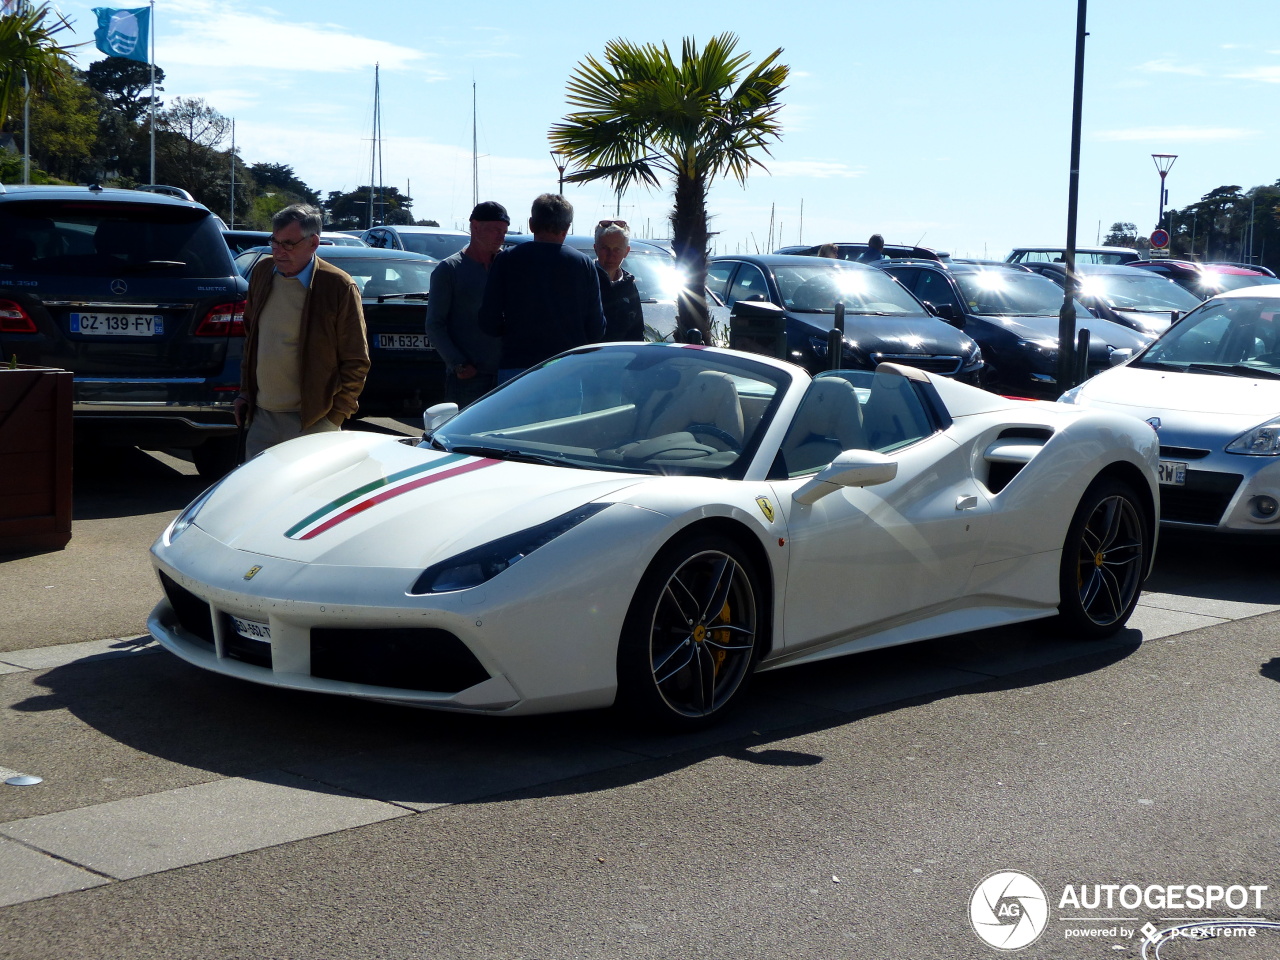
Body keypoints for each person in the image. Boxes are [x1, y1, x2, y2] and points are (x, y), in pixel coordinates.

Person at [235, 204, 369, 459]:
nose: (279, 252)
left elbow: (357, 360)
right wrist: (244, 392)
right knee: (258, 497)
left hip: (312, 421)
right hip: (262, 417)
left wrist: (334, 417)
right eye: (274, 242)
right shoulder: (262, 274)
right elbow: (251, 339)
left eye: (288, 244)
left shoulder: (338, 286)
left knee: (310, 498)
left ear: (313, 243)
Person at [479, 193, 605, 381]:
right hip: (568, 368)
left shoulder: (507, 260)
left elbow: (488, 321)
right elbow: (596, 328)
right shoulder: (583, 264)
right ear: (567, 228)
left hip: (517, 368)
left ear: (531, 224)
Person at [424, 200, 508, 407]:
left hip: (507, 374)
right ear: (475, 226)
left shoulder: (507, 266)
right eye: (495, 230)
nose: (501, 236)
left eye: (504, 231)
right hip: (469, 377)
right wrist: (458, 364)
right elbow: (435, 324)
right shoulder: (450, 269)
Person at [593, 219, 644, 341]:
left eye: (617, 249)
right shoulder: (585, 279)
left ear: (626, 252)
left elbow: (637, 331)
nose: (611, 255)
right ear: (596, 248)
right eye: (605, 248)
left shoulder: (629, 284)